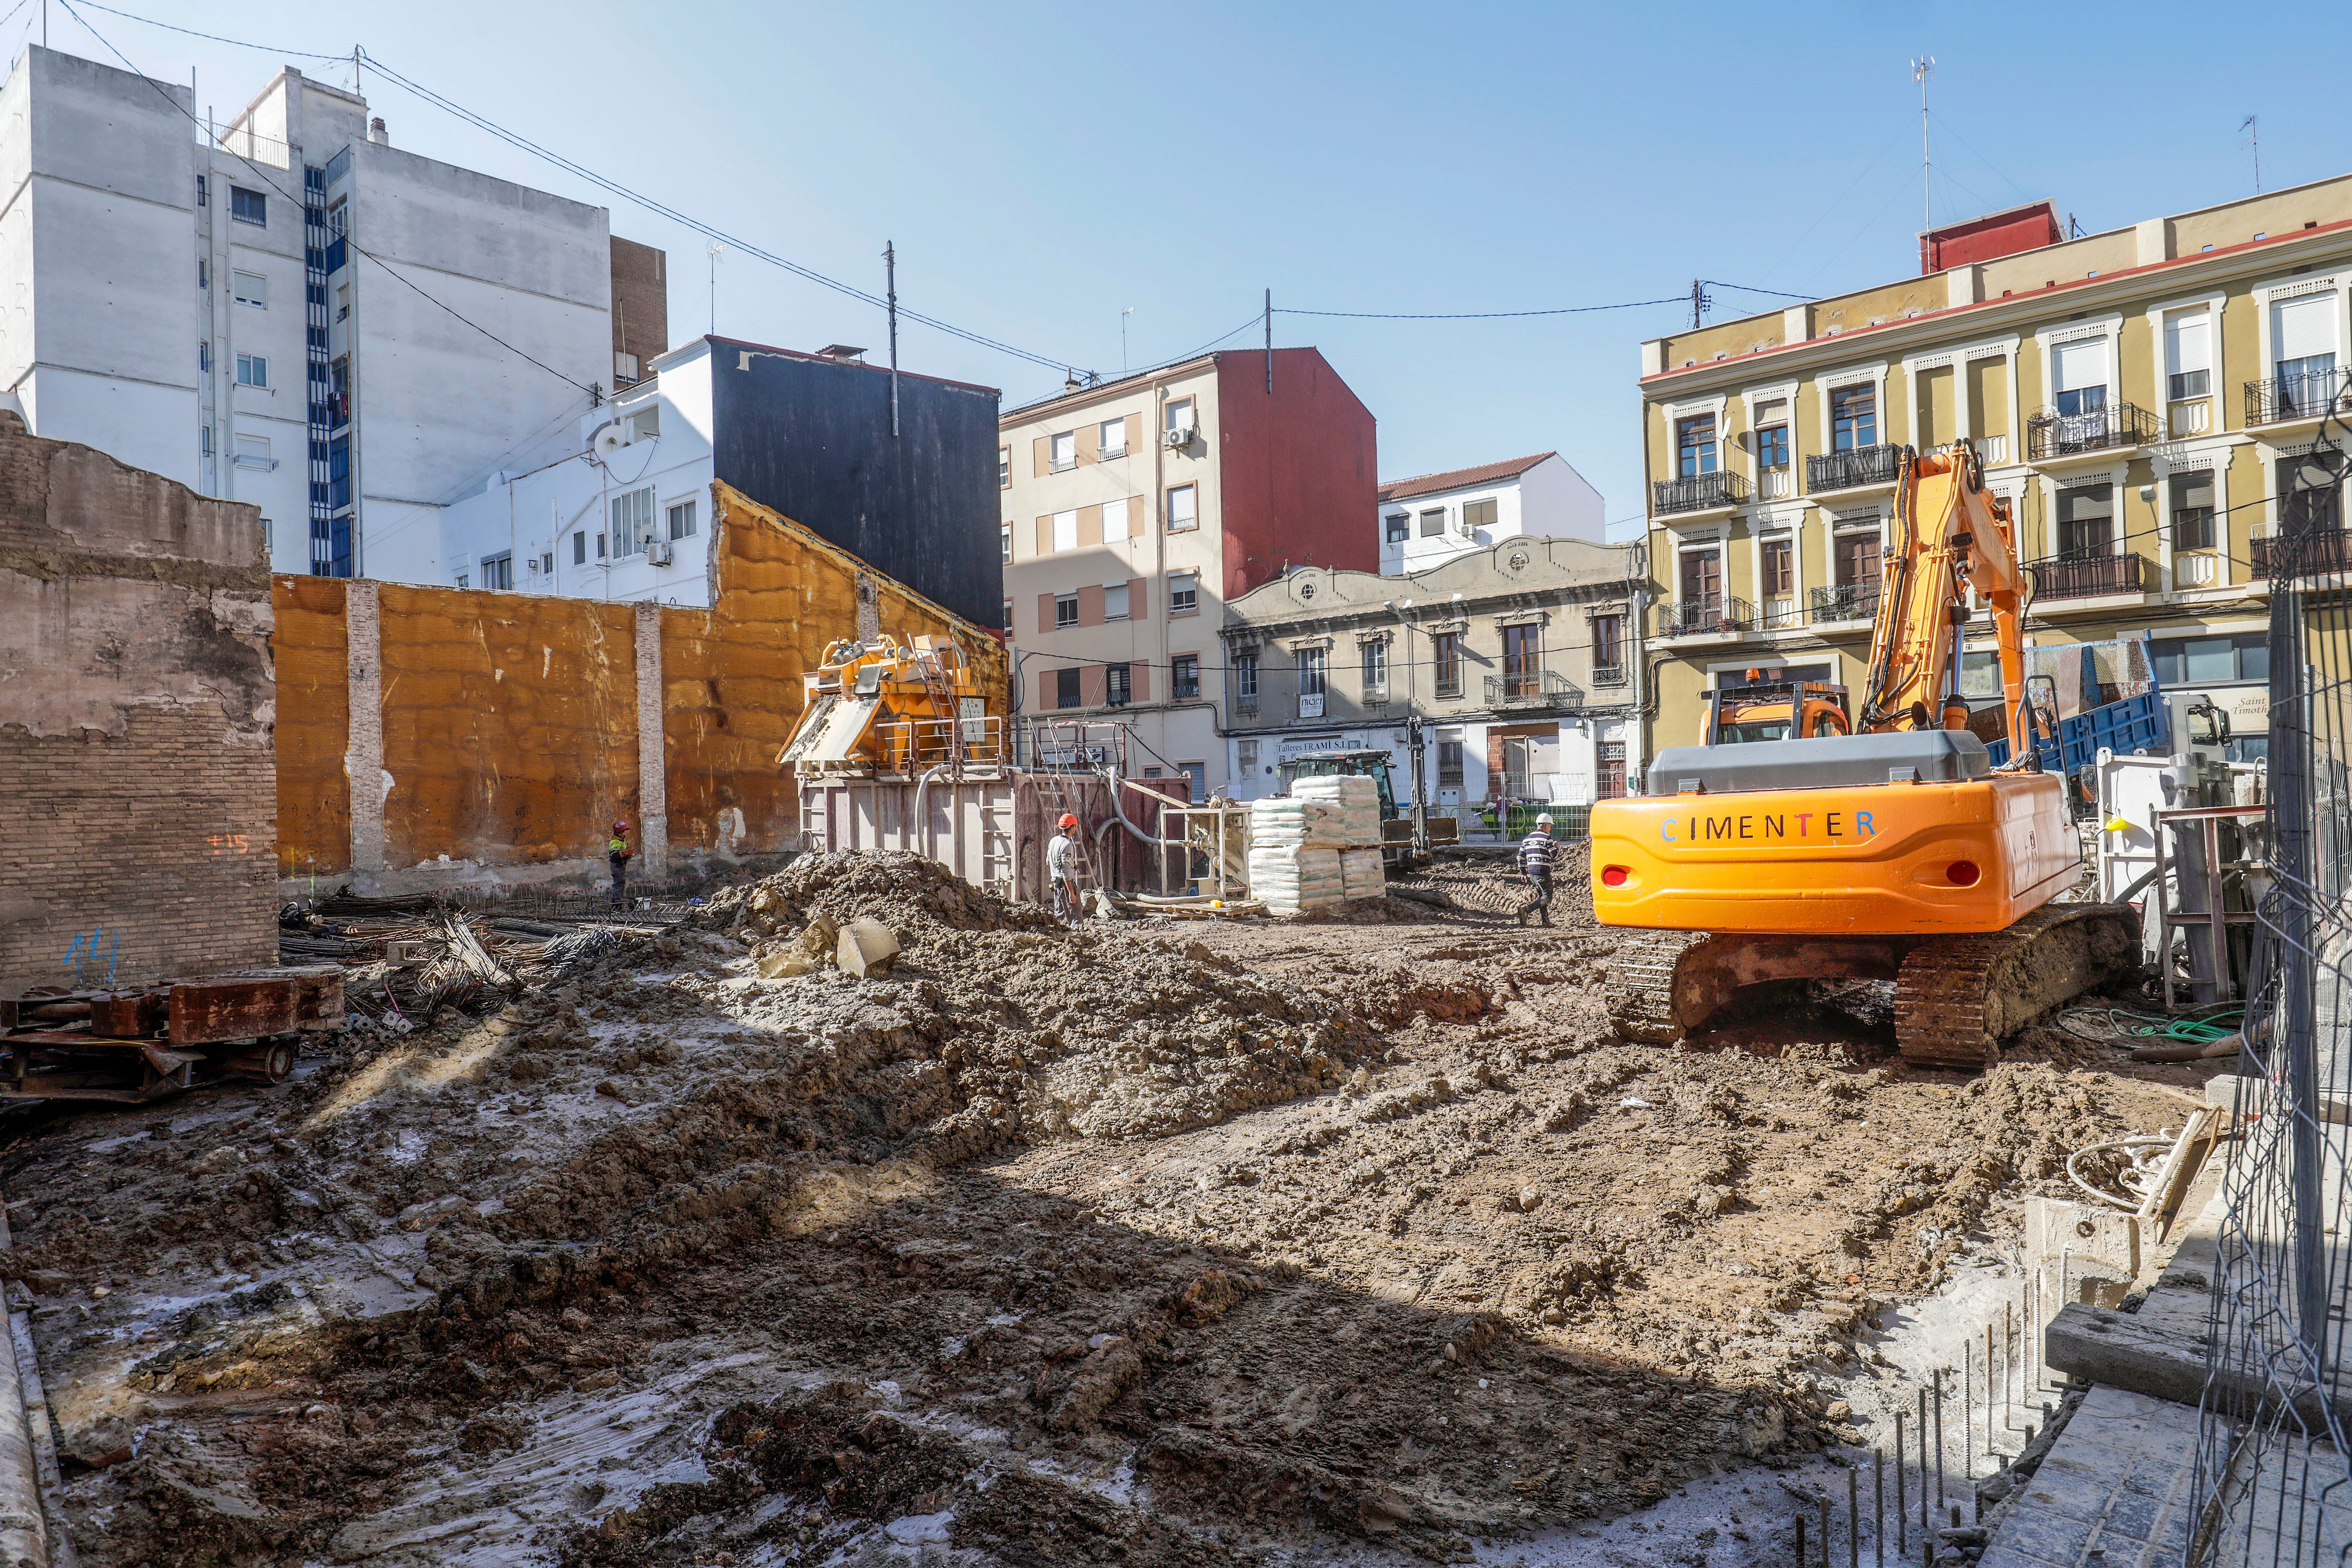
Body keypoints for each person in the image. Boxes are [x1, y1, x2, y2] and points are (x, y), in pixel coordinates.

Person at [1517, 812, 1557, 927]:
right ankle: (1527, 910)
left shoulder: (1527, 839)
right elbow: (1554, 855)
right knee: (1547, 897)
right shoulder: (1547, 838)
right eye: (1550, 826)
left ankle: (1545, 921)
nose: (1550, 829)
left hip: (1532, 873)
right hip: (1543, 872)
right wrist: (1557, 848)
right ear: (1546, 826)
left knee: (1542, 897)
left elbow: (1520, 857)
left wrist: (1523, 873)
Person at [1046, 812, 1081, 922]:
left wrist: (1072, 866)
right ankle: (1078, 935)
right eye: (1075, 827)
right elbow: (1065, 871)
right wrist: (1071, 893)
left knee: (1059, 913)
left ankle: (1058, 933)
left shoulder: (1054, 841)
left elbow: (1049, 861)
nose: (1076, 829)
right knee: (1075, 914)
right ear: (1071, 828)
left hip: (1056, 883)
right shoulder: (1067, 845)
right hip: (1066, 883)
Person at [607, 820, 633, 910]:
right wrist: (625, 853)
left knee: (621, 883)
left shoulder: (621, 840)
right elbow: (615, 855)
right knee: (619, 884)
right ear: (618, 832)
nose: (623, 833)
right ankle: (617, 905)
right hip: (617, 865)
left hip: (621, 865)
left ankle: (618, 903)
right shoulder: (615, 841)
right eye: (622, 832)